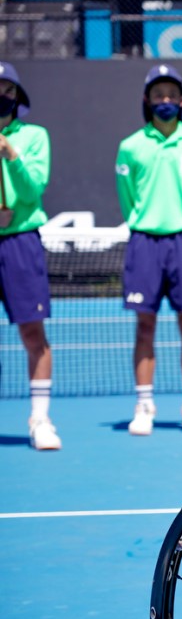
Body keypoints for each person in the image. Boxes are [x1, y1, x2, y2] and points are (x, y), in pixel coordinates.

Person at [115, 64, 182, 435]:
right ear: (147, 101)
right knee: (144, 326)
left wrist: (179, 219)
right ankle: (144, 406)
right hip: (144, 243)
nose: (165, 101)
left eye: (171, 94)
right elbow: (128, 201)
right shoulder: (130, 147)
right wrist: (146, 221)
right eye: (158, 95)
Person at [0, 60, 60, 450]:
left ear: (17, 96)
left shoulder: (34, 136)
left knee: (32, 333)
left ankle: (39, 419)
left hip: (20, 242)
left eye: (6, 89)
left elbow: (32, 188)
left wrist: (10, 153)